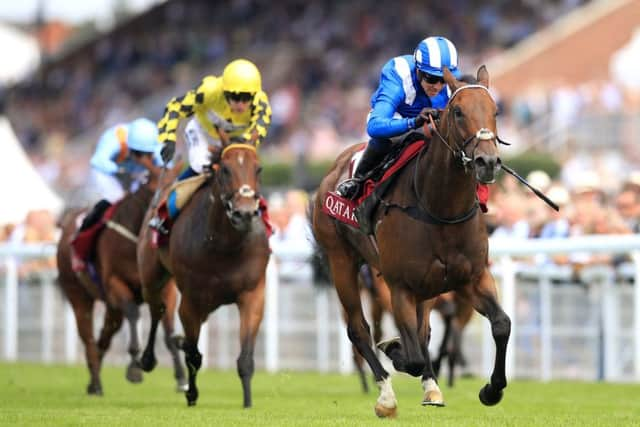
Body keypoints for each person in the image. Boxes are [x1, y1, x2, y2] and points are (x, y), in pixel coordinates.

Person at [149, 58, 272, 233]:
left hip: (234, 142)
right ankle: (164, 214)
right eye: (235, 97)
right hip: (202, 133)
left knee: (243, 170)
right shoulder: (208, 91)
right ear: (224, 91)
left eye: (247, 98)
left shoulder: (261, 104)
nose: (241, 104)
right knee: (201, 166)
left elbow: (257, 132)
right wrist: (168, 138)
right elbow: (174, 107)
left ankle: (265, 223)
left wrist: (236, 149)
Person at [337, 36, 462, 199]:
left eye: (443, 80)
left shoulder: (455, 80)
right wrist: (413, 122)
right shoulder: (399, 73)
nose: (437, 86)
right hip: (397, 119)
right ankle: (358, 181)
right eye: (431, 78)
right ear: (418, 70)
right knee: (387, 138)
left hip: (428, 122)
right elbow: (374, 126)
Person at [78, 117, 162, 232]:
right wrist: (120, 171)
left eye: (148, 154)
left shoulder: (153, 143)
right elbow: (97, 161)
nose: (144, 158)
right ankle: (87, 224)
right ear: (130, 147)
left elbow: (166, 169)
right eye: (139, 153)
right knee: (116, 198)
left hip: (132, 171)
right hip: (108, 172)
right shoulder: (115, 138)